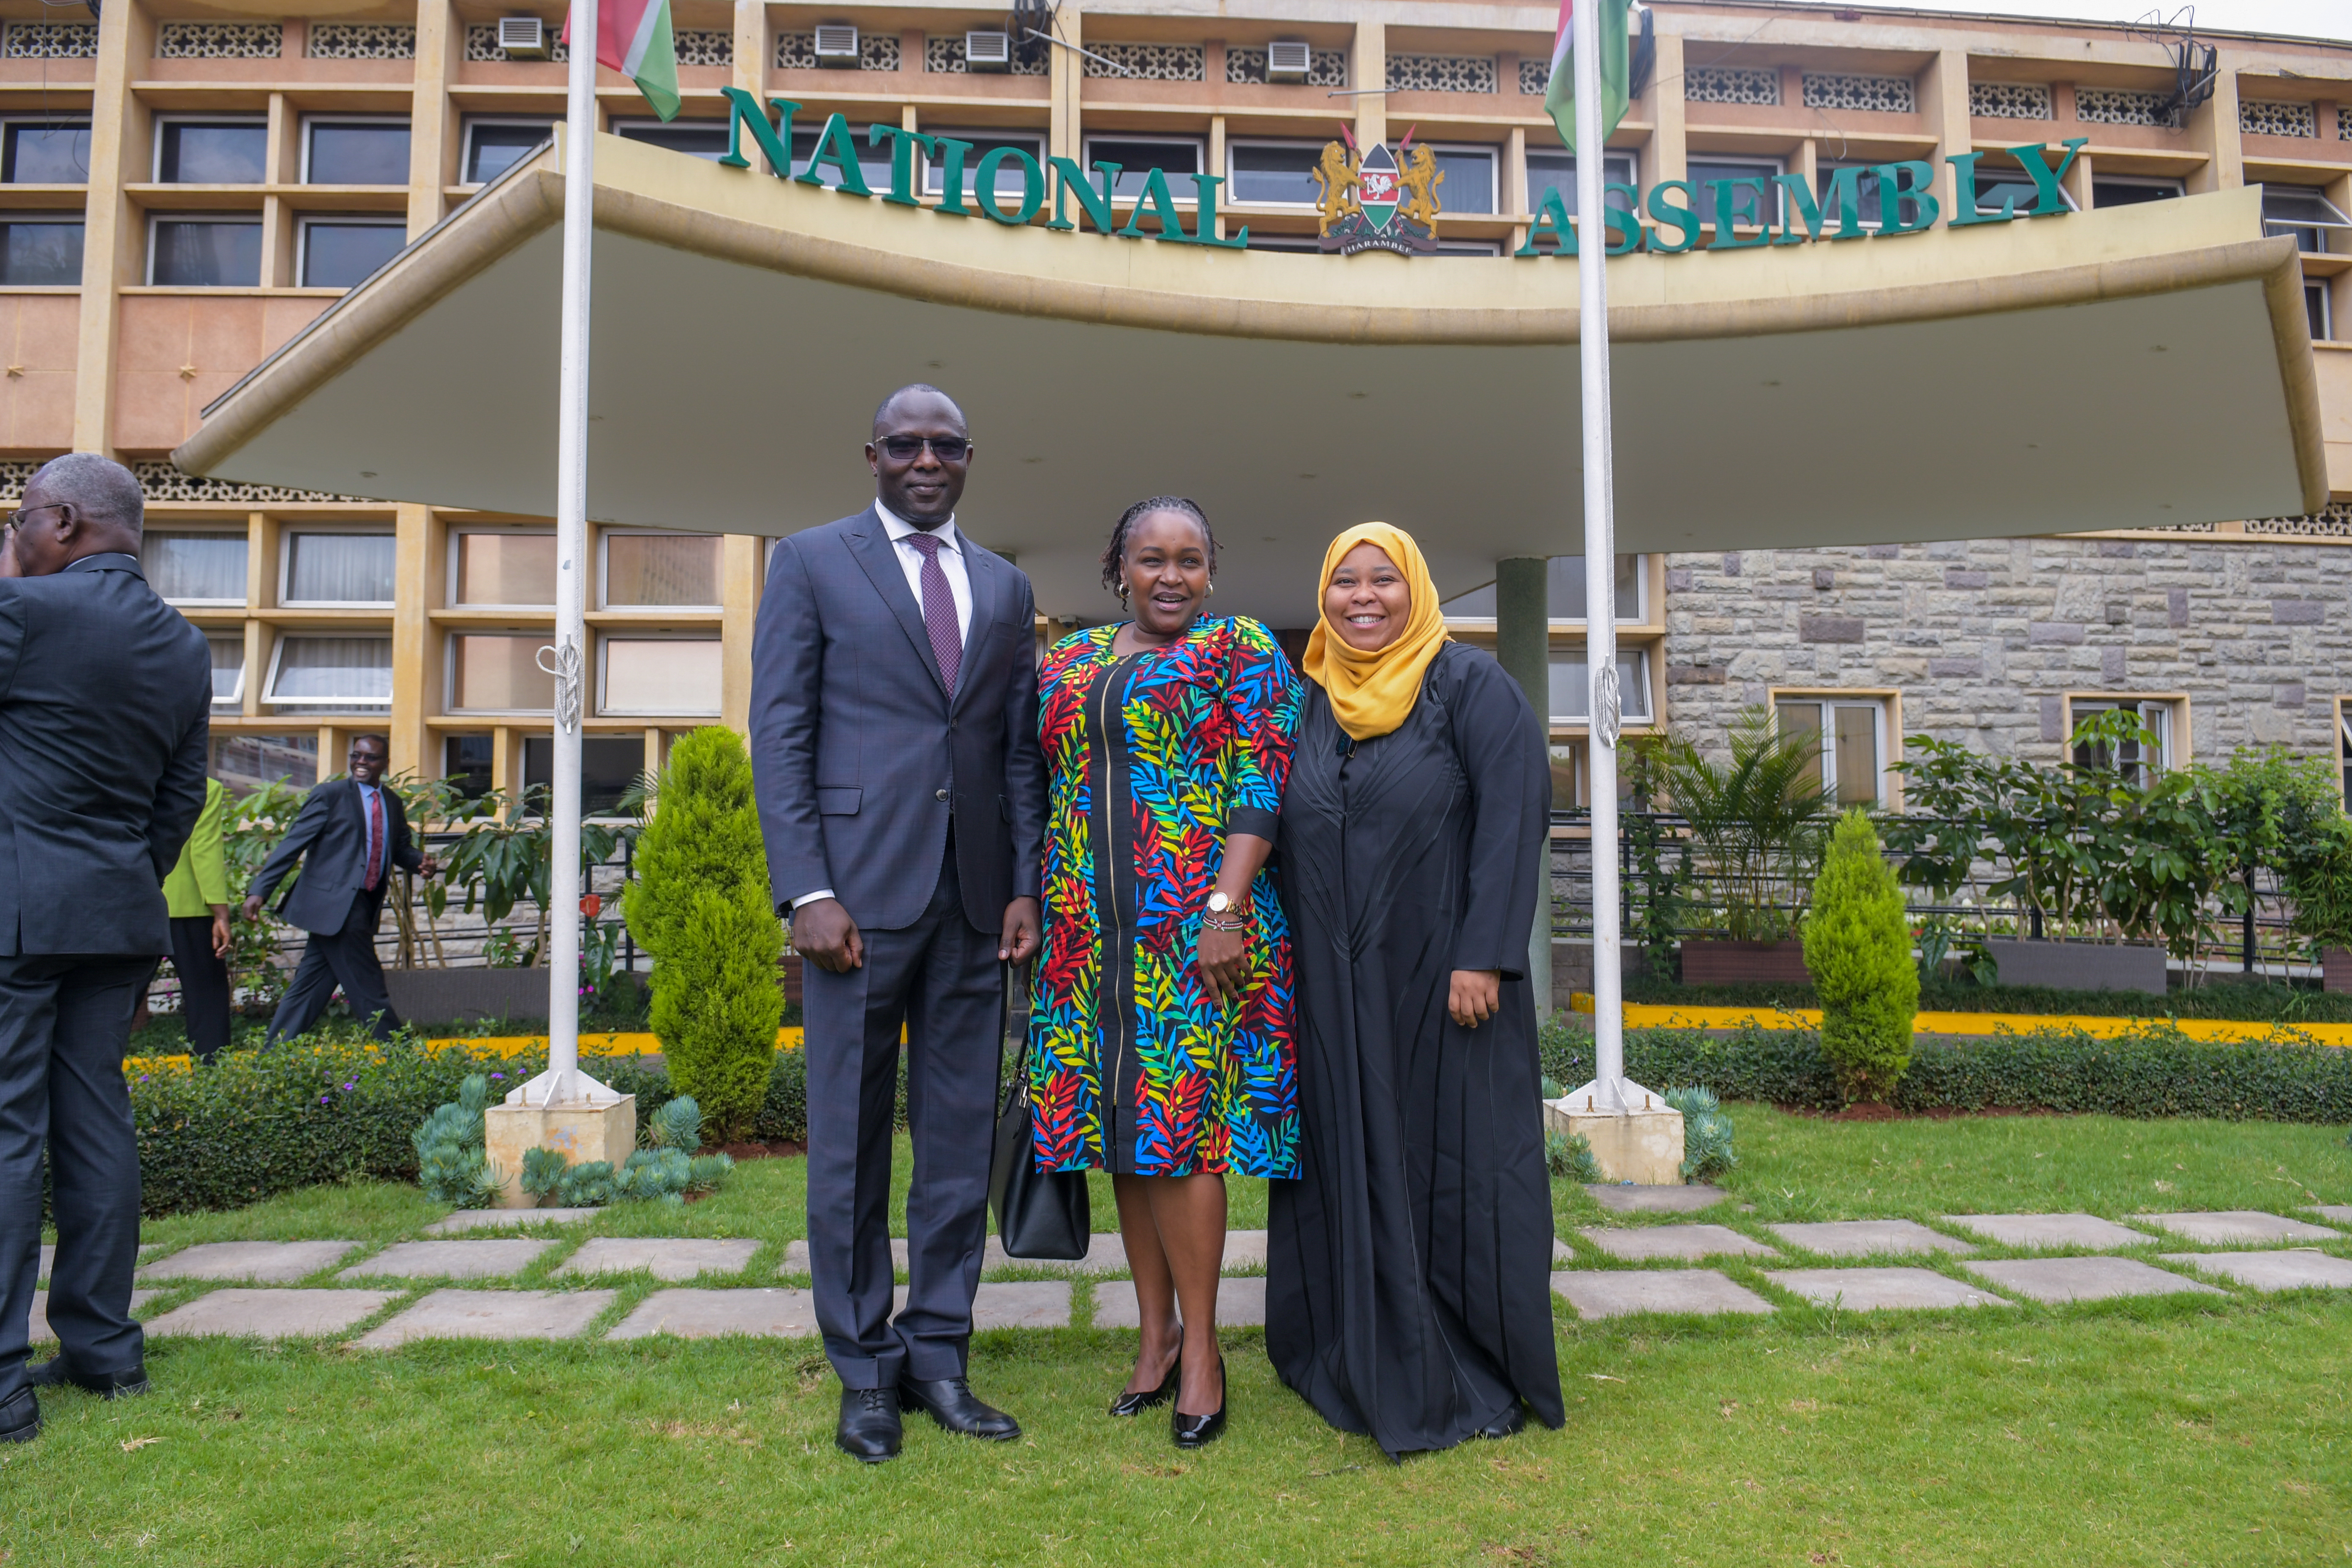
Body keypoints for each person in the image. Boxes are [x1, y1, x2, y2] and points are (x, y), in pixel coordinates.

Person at [749, 384, 1046, 1465]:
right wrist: (804, 891)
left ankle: (939, 1353)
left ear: (969, 458)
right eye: (906, 444)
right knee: (851, 1144)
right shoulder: (813, 560)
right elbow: (779, 733)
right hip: (855, 906)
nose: (927, 460)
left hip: (975, 904)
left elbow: (1015, 750)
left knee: (959, 1143)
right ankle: (864, 1369)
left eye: (947, 445)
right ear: (872, 453)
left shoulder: (1006, 586)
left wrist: (1023, 883)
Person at [1267, 522, 1567, 1459]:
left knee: (1458, 1164)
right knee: (1350, 1157)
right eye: (1344, 581)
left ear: (1419, 590)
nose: (1363, 597)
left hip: (1446, 983)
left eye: (1382, 580)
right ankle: (1352, 1343)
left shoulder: (1470, 687)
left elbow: (1515, 818)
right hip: (1333, 988)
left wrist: (1484, 953)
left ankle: (1471, 1356)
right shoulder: (1310, 697)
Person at [1028, 497, 1301, 1451]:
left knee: (1182, 1133)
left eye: (1190, 559)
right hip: (1083, 940)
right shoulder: (1068, 661)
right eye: (1152, 559)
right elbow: (1045, 784)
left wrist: (1225, 907)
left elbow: (1262, 778)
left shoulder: (1240, 649)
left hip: (1193, 935)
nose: (1172, 576)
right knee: (1119, 1134)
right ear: (1119, 569)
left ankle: (1203, 1355)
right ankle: (1153, 1338)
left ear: (1212, 571)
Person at [0, 454, 210, 1440]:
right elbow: (179, 803)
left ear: (68, 520)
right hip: (119, 916)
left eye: (22, 516)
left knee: (7, 1131)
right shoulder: (184, 645)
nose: (17, 534)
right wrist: (127, 879)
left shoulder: (25, 613)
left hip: (17, 914)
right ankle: (102, 1351)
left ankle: (3, 1382)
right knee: (94, 1120)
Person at [242, 735, 436, 1045]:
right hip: (336, 904)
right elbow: (293, 843)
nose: (361, 762)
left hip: (362, 901)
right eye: (356, 755)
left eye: (370, 758)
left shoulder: (392, 803)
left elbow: (398, 847)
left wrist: (418, 862)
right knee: (368, 983)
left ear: (385, 763)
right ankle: (400, 1054)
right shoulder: (330, 795)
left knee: (310, 987)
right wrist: (260, 890)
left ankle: (273, 1055)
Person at [163, 776, 235, 1061]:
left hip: (134, 904)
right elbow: (204, 850)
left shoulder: (128, 779)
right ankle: (212, 1078)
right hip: (188, 906)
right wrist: (221, 911)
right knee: (207, 997)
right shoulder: (203, 787)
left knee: (116, 999)